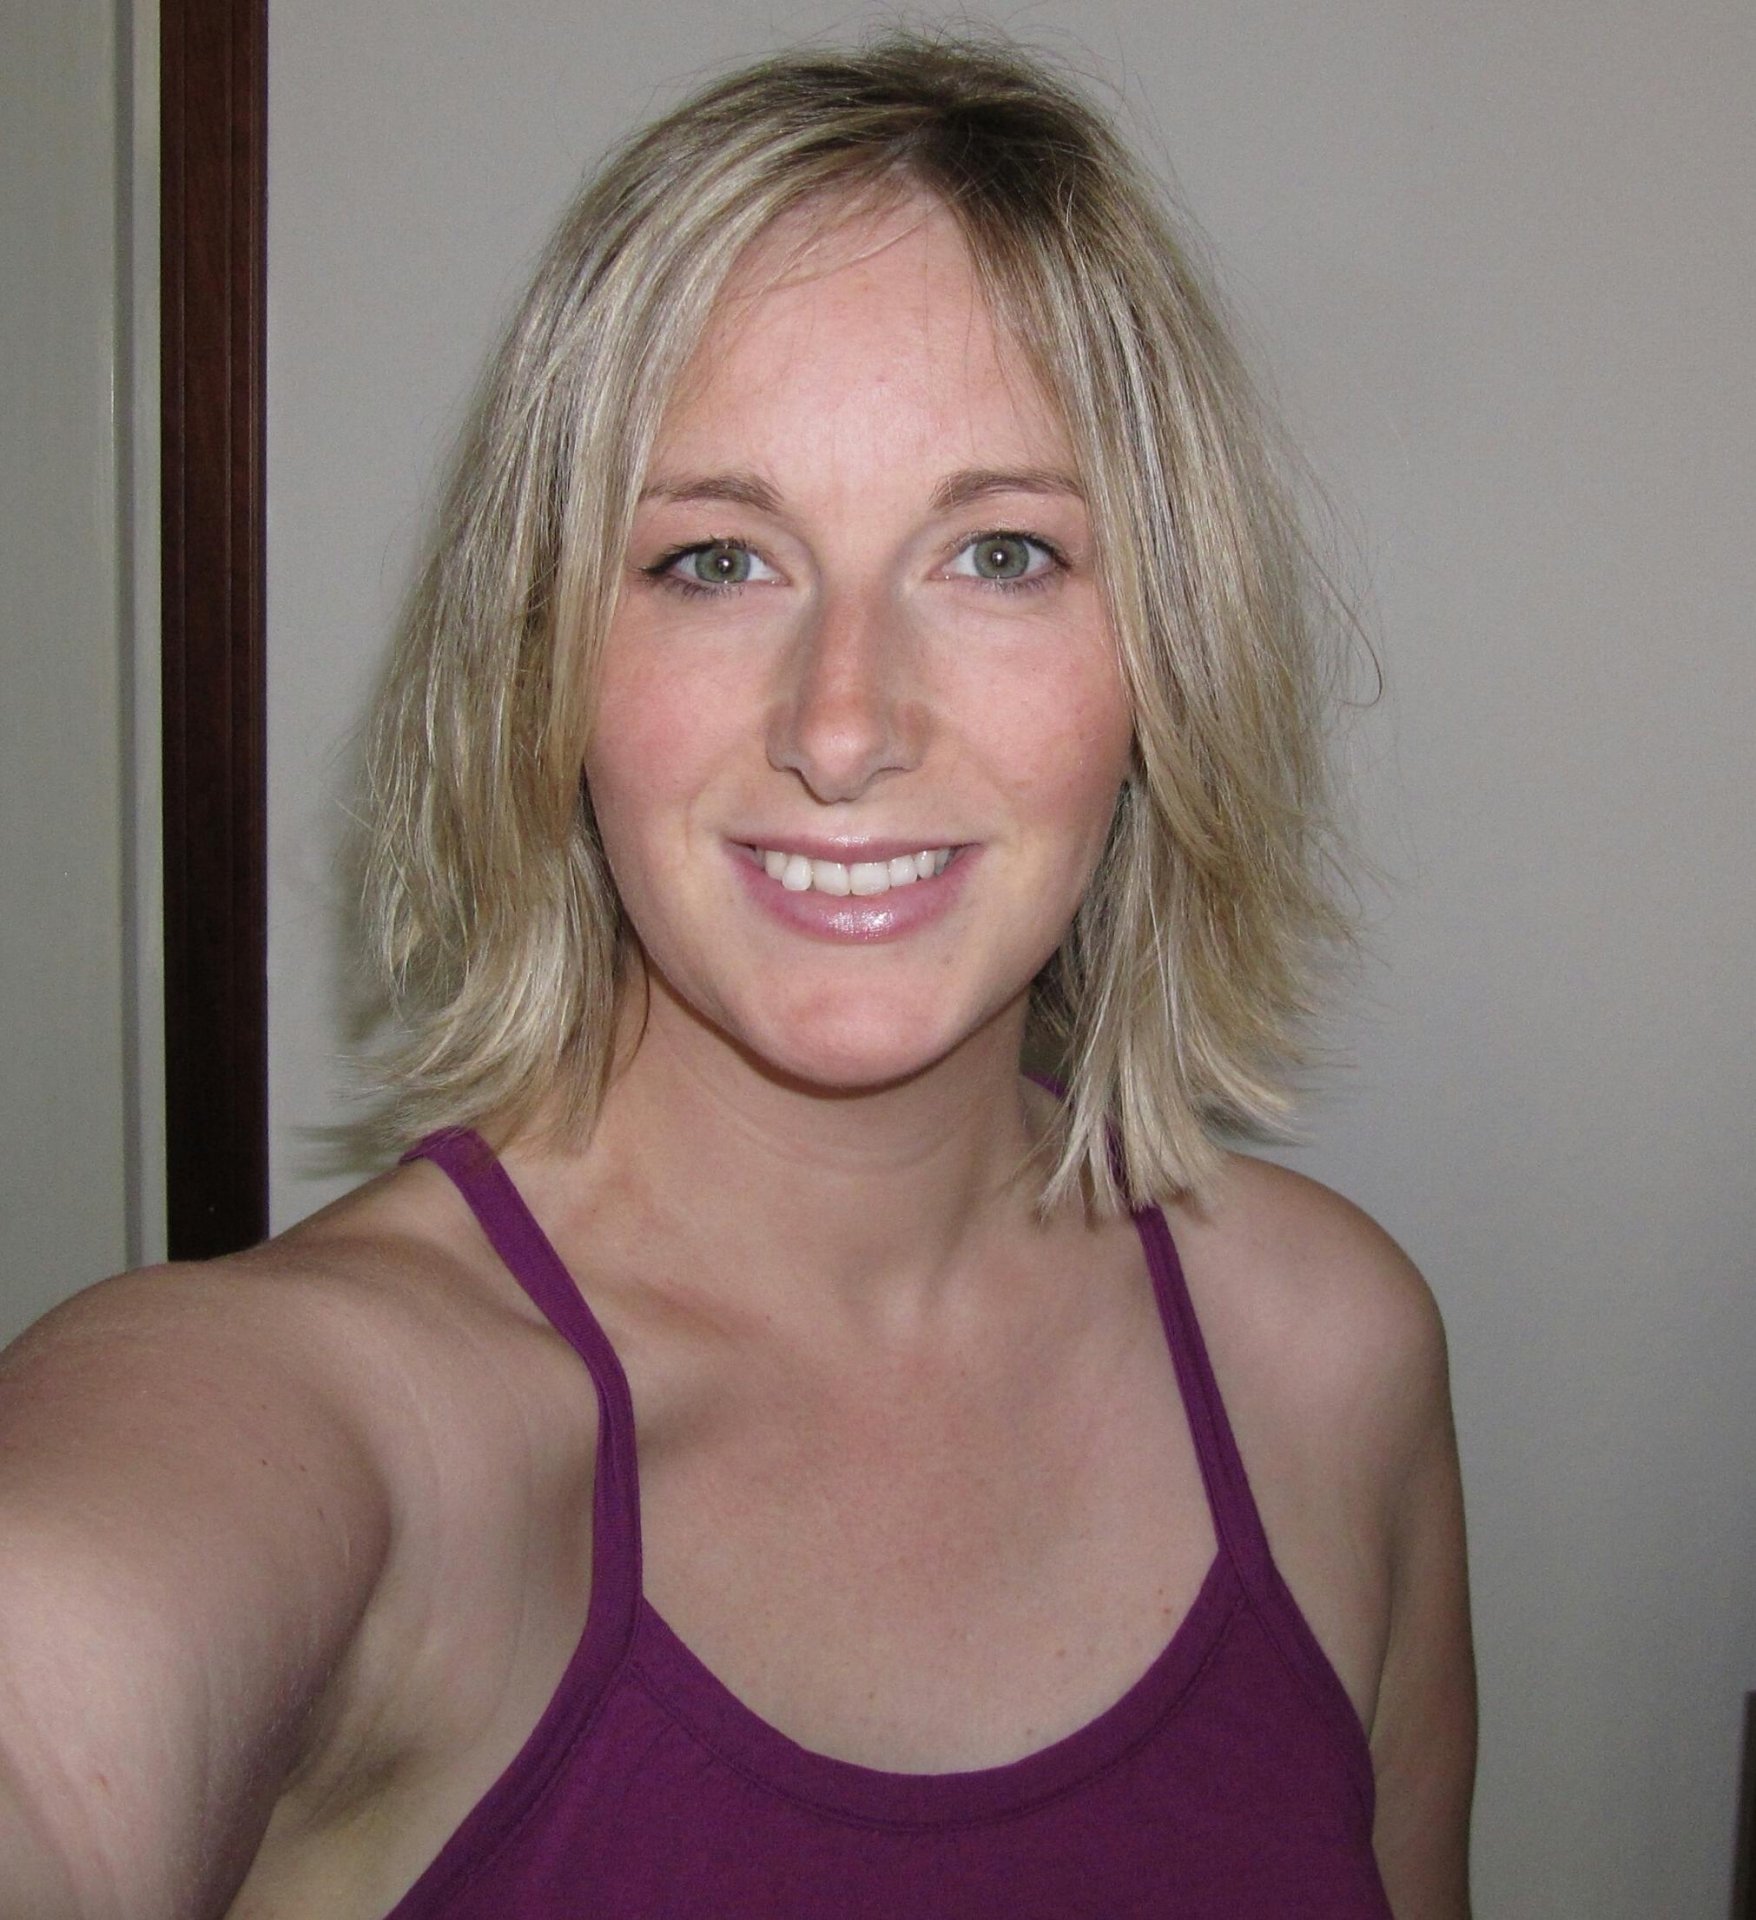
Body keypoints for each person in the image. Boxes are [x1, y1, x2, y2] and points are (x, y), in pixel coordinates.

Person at [0, 34, 1474, 1919]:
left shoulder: (1332, 1355)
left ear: (1167, 655)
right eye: (715, 561)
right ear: (545, 658)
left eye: (1000, 552)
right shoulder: (341, 1424)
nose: (844, 726)